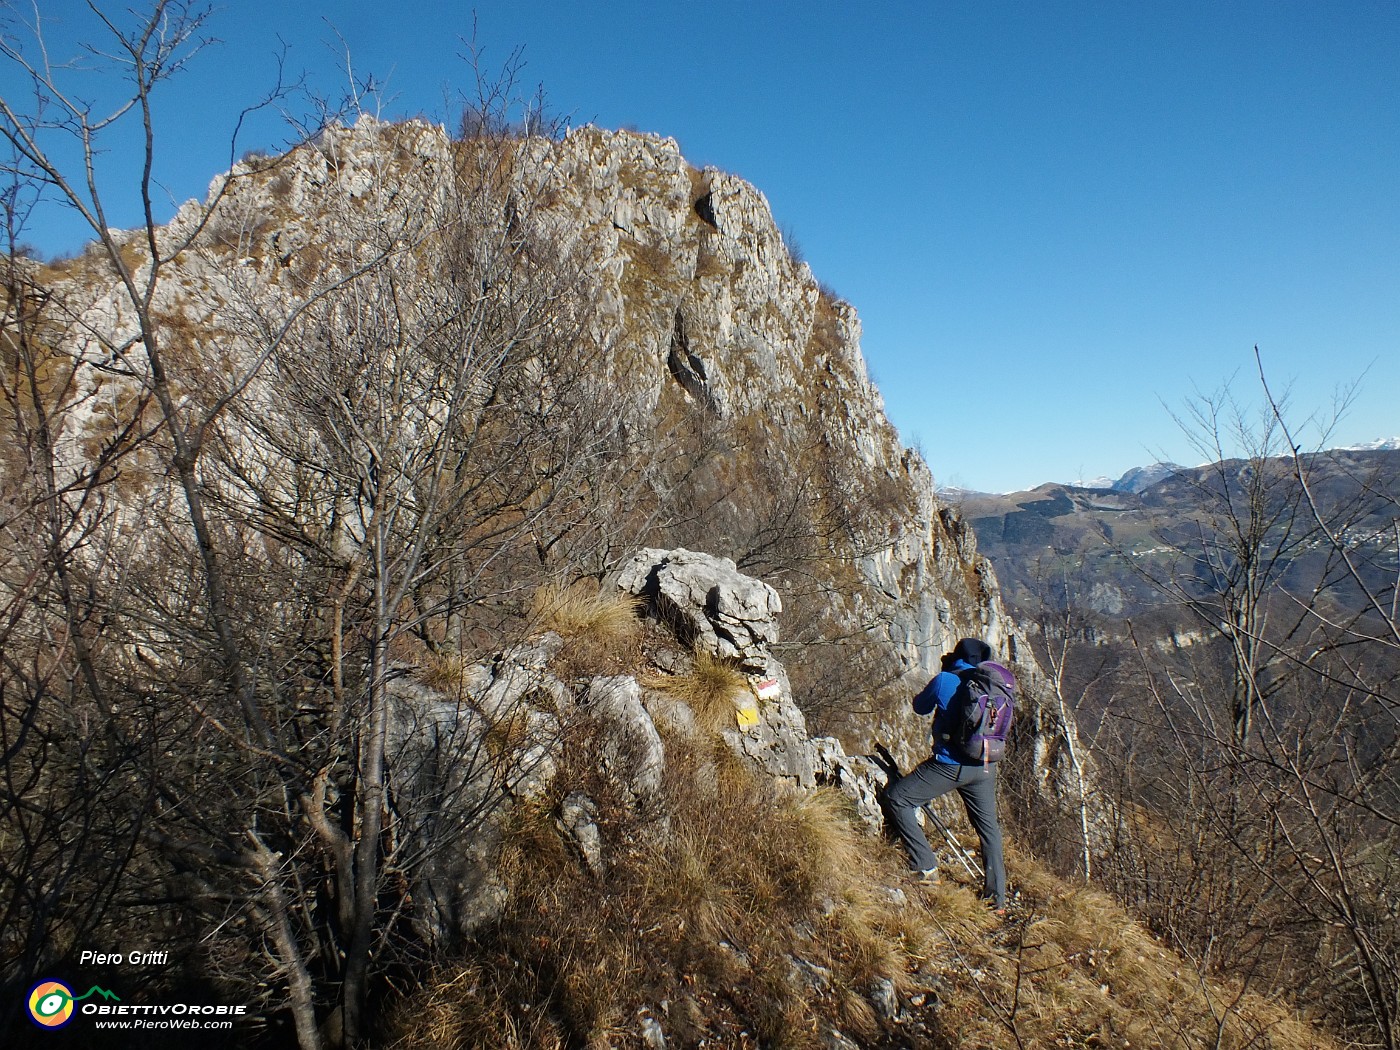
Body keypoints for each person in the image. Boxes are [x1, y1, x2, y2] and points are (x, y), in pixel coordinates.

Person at [884, 637, 1008, 913]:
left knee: (898, 798)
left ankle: (925, 866)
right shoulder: (993, 684)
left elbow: (920, 707)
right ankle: (997, 898)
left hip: (950, 765)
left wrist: (943, 678)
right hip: (985, 766)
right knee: (989, 830)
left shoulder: (945, 680)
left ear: (955, 658)